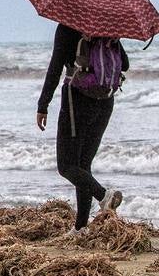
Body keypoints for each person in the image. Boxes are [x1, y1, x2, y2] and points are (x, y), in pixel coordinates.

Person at [36, 22, 129, 230]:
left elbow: (55, 66)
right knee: (83, 165)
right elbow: (125, 64)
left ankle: (104, 196)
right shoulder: (108, 27)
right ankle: (80, 228)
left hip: (76, 99)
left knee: (67, 166)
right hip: (105, 101)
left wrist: (43, 104)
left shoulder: (67, 26)